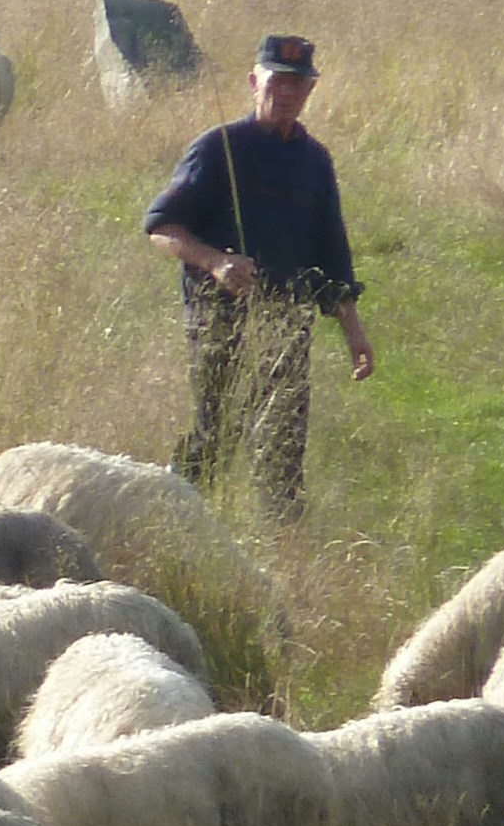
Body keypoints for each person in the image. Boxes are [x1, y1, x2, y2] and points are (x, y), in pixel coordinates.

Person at [142, 35, 374, 519]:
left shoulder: (315, 161)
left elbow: (331, 254)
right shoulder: (217, 148)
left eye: (298, 85)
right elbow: (161, 228)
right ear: (254, 83)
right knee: (216, 432)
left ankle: (282, 540)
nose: (287, 94)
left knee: (284, 439)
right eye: (277, 82)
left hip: (287, 323)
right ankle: (179, 525)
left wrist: (353, 331)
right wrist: (215, 263)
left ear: (309, 92)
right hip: (218, 320)